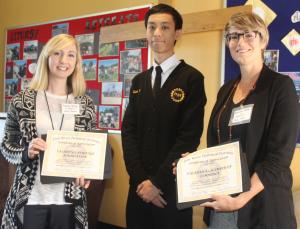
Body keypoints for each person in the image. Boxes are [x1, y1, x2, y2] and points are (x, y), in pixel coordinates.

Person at [200, 12, 299, 228]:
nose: (239, 42)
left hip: (263, 207)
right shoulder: (226, 90)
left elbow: (278, 158)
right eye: (233, 36)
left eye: (248, 35)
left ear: (263, 40)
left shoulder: (280, 87)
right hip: (223, 203)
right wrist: (195, 165)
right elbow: (219, 144)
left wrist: (240, 199)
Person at [121, 4, 207, 229]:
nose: (157, 33)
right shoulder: (138, 81)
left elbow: (188, 138)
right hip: (138, 190)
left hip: (170, 190)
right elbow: (128, 132)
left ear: (177, 33)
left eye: (165, 27)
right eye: (151, 27)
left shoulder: (192, 79)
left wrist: (156, 183)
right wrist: (141, 181)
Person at [1, 34, 96, 229]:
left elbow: (90, 151)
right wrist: (26, 151)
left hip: (69, 200)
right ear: (46, 57)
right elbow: (6, 145)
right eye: (57, 53)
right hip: (31, 197)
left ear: (77, 62)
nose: (63, 61)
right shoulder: (22, 100)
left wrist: (87, 174)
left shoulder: (85, 103)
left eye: (70, 55)